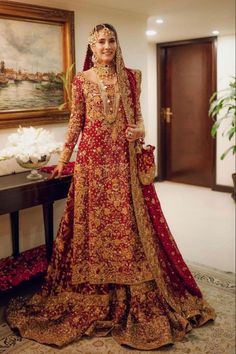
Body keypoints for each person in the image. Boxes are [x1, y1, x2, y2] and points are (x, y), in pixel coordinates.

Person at [6, 24, 216, 350]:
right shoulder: (81, 81)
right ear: (91, 45)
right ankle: (95, 286)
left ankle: (128, 285)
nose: (107, 45)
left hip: (121, 162)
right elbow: (77, 121)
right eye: (101, 41)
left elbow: (141, 123)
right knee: (93, 223)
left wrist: (138, 132)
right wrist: (64, 157)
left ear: (117, 44)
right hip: (91, 162)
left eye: (111, 40)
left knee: (124, 223)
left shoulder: (132, 77)